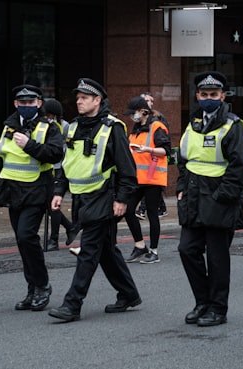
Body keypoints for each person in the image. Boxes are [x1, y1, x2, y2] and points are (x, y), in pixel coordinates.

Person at [48, 78, 141, 322]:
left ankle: (72, 305)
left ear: (97, 100)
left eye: (84, 98)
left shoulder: (113, 128)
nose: (78, 101)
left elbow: (127, 169)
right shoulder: (72, 128)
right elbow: (66, 165)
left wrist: (122, 199)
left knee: (88, 251)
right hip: (81, 198)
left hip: (104, 197)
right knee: (106, 251)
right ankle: (129, 294)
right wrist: (59, 191)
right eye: (77, 97)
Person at [0, 84, 65, 311]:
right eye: (22, 103)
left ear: (39, 103)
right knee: (22, 242)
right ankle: (32, 288)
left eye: (30, 102)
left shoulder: (48, 127)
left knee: (26, 237)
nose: (26, 106)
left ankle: (43, 285)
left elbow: (56, 154)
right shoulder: (8, 127)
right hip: (12, 191)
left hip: (36, 191)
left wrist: (30, 146)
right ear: (16, 104)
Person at [177, 71, 243, 327]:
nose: (208, 98)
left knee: (217, 258)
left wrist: (222, 197)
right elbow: (184, 159)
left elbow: (240, 168)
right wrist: (181, 187)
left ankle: (218, 308)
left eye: (214, 94)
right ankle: (202, 302)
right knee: (186, 249)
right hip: (194, 197)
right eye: (204, 94)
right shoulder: (193, 122)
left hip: (219, 200)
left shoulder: (233, 125)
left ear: (223, 96)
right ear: (197, 96)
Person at [122, 96, 170, 264]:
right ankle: (140, 245)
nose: (131, 117)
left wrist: (146, 149)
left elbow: (165, 151)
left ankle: (154, 251)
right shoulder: (135, 130)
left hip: (153, 177)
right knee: (128, 211)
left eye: (133, 113)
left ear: (143, 112)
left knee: (151, 213)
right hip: (137, 179)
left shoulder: (157, 126)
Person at [40, 98, 80, 252]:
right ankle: (70, 227)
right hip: (46, 167)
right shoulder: (41, 125)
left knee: (53, 205)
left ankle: (54, 239)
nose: (49, 117)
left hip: (58, 168)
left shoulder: (65, 127)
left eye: (51, 115)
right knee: (48, 204)